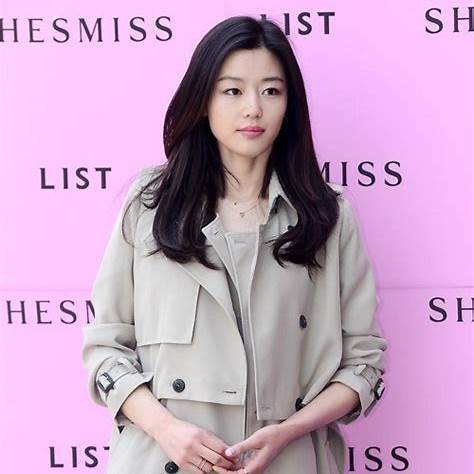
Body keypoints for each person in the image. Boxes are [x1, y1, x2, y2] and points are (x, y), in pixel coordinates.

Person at [81, 15, 388, 474]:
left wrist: (289, 431)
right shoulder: (150, 205)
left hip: (289, 461)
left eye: (271, 91)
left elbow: (364, 364)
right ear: (203, 100)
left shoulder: (326, 215)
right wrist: (169, 431)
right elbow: (106, 347)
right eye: (232, 91)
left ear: (290, 105)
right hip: (162, 460)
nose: (253, 109)